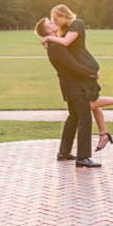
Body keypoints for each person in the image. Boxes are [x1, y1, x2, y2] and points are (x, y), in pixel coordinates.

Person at [40, 4, 113, 152]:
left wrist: (47, 38)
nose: (55, 22)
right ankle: (104, 133)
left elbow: (65, 43)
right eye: (52, 20)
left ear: (63, 16)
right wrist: (49, 39)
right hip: (80, 69)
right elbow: (61, 44)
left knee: (87, 104)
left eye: (55, 18)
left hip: (86, 66)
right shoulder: (63, 30)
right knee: (89, 101)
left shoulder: (77, 24)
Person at [36, 17, 101, 168]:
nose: (54, 22)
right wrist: (92, 74)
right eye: (51, 23)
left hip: (68, 86)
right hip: (73, 87)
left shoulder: (54, 44)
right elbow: (74, 66)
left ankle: (64, 153)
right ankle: (82, 158)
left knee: (74, 117)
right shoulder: (56, 47)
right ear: (49, 30)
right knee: (85, 117)